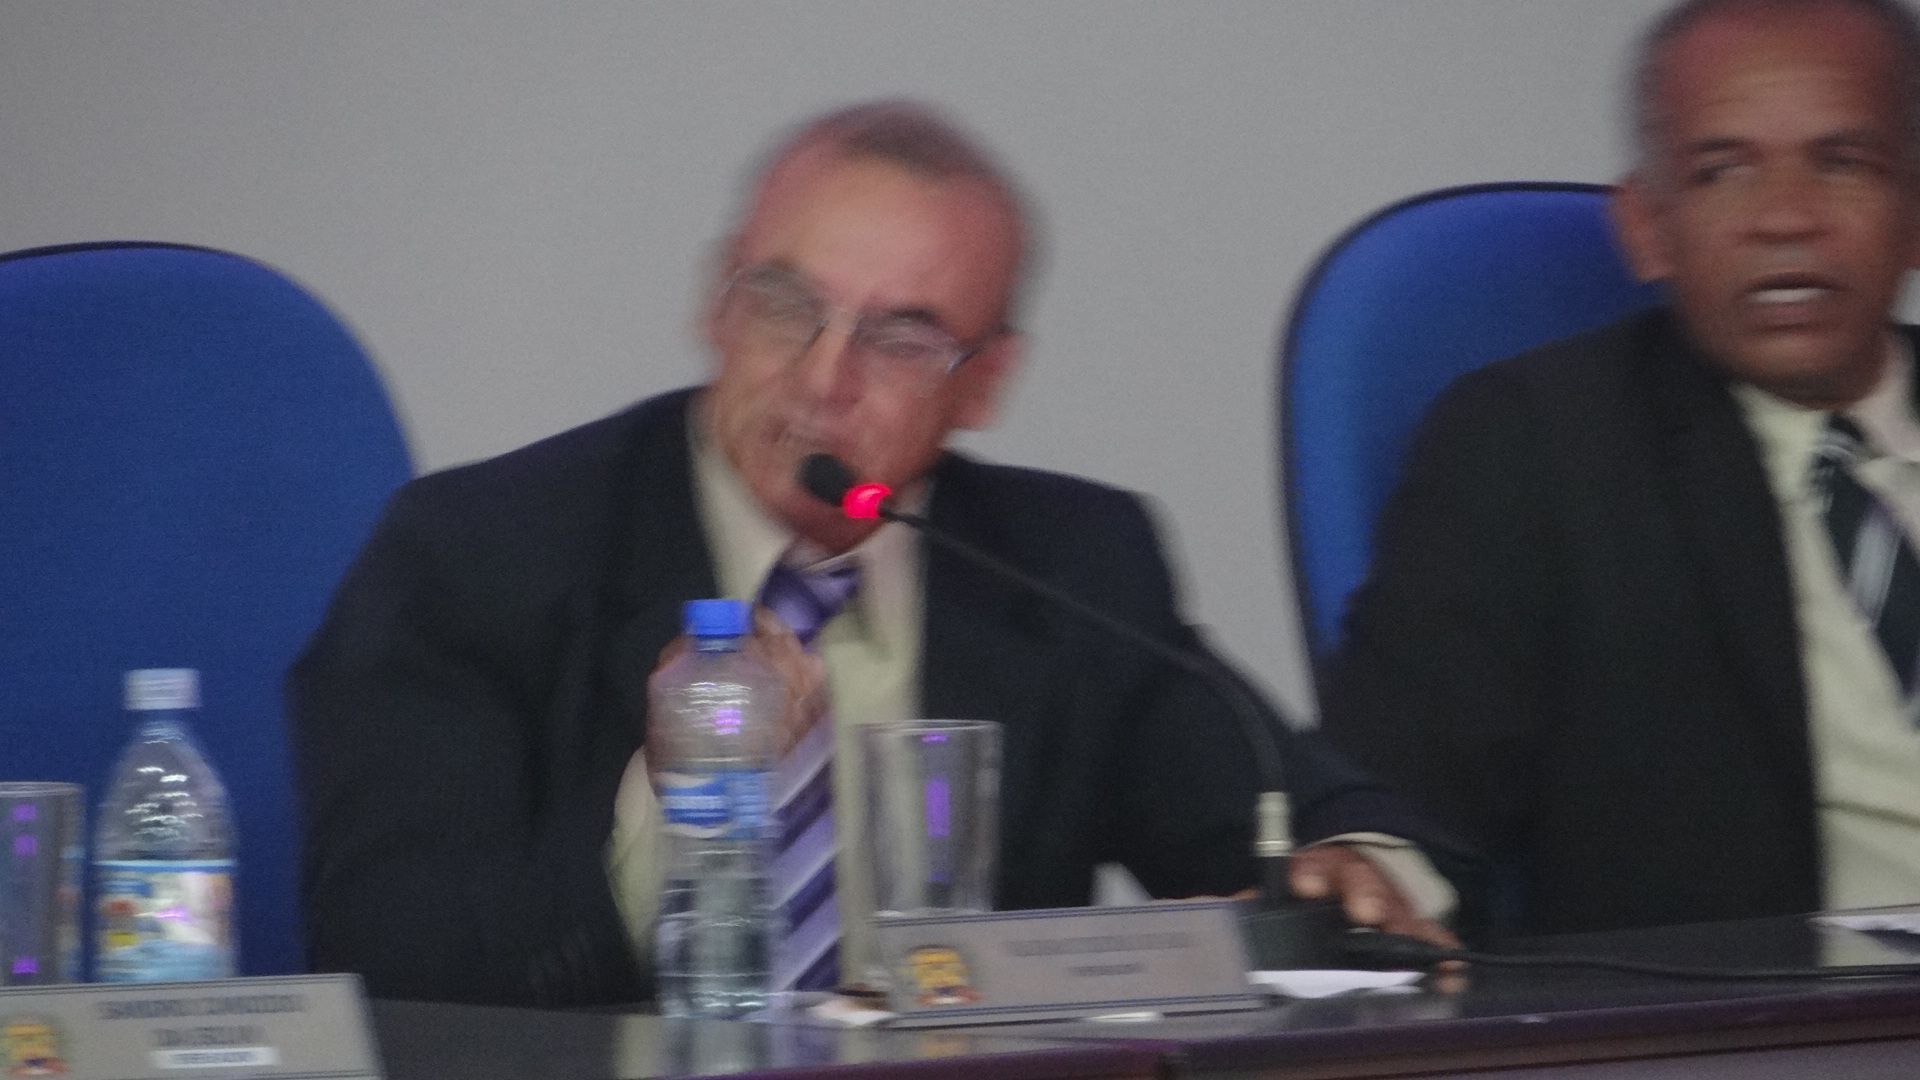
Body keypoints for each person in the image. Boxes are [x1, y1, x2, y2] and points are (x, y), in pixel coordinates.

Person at [290, 101, 1461, 1006]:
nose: (821, 380)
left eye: (900, 339)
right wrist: (677, 804)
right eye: (784, 305)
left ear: (984, 382)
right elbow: (394, 956)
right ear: (717, 303)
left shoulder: (1068, 567)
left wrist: (1349, 873)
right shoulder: (481, 554)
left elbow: (1293, 815)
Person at [1320, 0, 1920, 942]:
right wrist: (1368, 877)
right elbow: (1401, 797)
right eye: (1723, 172)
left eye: (1843, 163)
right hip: (1794, 1011)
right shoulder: (1536, 450)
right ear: (1647, 227)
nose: (1787, 218)